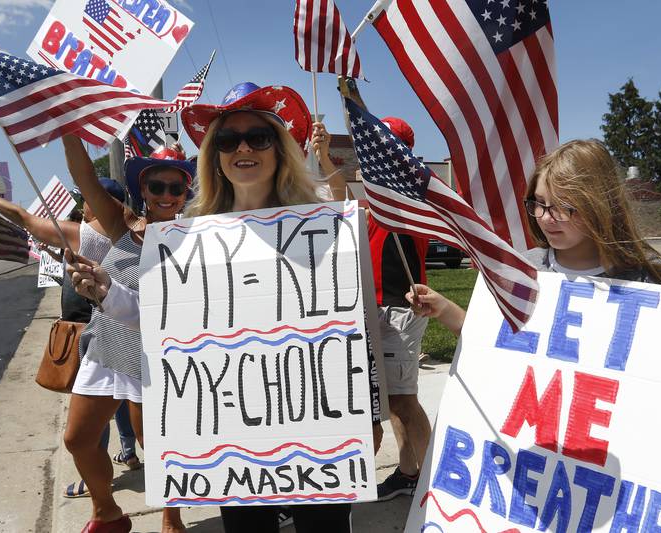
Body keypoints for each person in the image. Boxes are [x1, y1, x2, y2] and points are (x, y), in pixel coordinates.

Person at [66, 81, 359, 533]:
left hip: (310, 425)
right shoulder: (193, 233)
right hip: (233, 430)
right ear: (215, 156)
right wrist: (107, 291)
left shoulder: (320, 221)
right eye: (226, 140)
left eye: (258, 137)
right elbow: (164, 315)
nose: (243, 147)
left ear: (279, 149)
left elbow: (342, 316)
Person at [408, 139, 661, 512]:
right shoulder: (524, 269)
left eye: (565, 207)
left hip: (615, 476)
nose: (547, 218)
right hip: (535, 469)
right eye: (538, 203)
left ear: (601, 205)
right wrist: (447, 311)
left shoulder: (648, 282)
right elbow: (500, 344)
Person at [0, 177, 141, 497]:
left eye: (85, 199)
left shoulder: (82, 232)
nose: (82, 207)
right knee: (129, 412)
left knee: (86, 431)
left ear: (96, 201)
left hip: (100, 336)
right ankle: (130, 457)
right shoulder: (140, 232)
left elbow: (22, 217)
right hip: (136, 339)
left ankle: (97, 486)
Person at [60, 137, 195, 533]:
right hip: (106, 347)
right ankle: (106, 512)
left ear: (187, 191)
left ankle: (172, 517)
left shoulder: (199, 235)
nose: (166, 195)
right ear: (143, 190)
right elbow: (85, 177)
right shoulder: (121, 223)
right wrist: (69, 129)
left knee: (155, 446)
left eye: (176, 187)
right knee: (78, 439)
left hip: (154, 358)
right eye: (157, 186)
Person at [312, 116, 432, 501]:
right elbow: (340, 202)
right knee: (395, 400)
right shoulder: (377, 193)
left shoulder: (408, 191)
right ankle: (409, 472)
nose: (368, 152)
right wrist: (324, 157)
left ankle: (432, 481)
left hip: (401, 305)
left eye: (376, 145)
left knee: (402, 400)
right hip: (375, 305)